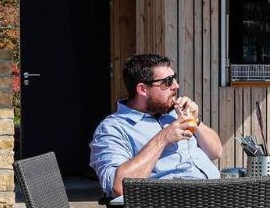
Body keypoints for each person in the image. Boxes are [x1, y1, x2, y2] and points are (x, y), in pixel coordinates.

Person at [90, 53, 222, 198]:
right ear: (142, 89)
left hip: (219, 197)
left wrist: (194, 121)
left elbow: (216, 152)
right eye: (168, 81)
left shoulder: (175, 114)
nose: (176, 85)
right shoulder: (113, 128)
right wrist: (163, 138)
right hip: (174, 206)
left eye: (174, 77)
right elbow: (119, 187)